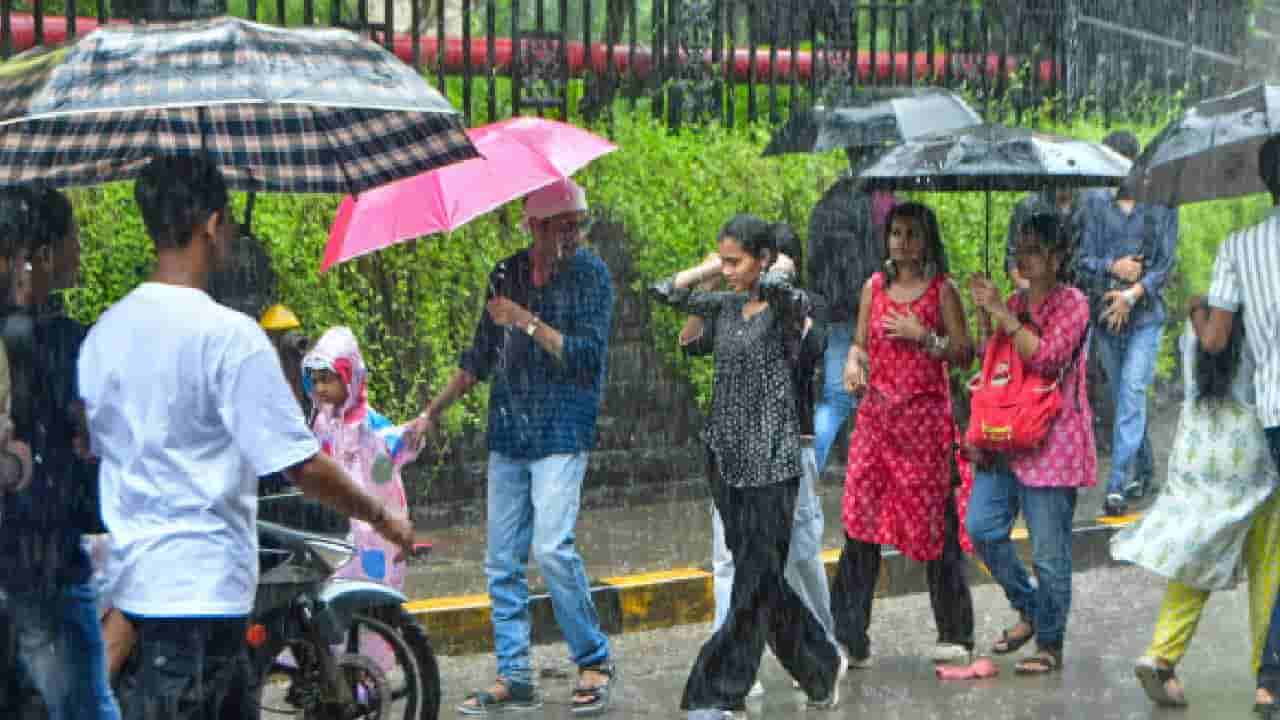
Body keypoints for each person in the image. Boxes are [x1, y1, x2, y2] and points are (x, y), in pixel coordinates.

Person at [77, 154, 416, 720]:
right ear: (212, 224)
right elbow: (300, 465)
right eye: (228, 218)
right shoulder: (231, 338)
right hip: (206, 605)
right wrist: (381, 517)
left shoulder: (103, 336)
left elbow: (97, 445)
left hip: (137, 596)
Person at [420, 178, 616, 716]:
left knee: (552, 548)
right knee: (501, 560)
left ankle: (594, 657)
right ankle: (515, 674)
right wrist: (430, 413)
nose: (572, 236)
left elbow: (584, 358)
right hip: (510, 431)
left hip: (561, 429)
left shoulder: (591, 277)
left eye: (579, 224)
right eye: (561, 226)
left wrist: (527, 322)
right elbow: (478, 359)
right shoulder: (505, 274)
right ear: (534, 226)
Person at [651, 214, 840, 719]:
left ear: (763, 259)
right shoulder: (728, 306)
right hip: (728, 461)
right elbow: (666, 291)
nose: (730, 270)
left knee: (755, 580)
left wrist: (769, 269)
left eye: (738, 261)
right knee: (763, 582)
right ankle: (820, 664)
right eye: (725, 260)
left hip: (774, 464)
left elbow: (790, 301)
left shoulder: (787, 307)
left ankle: (715, 690)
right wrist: (711, 268)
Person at [834, 201, 976, 668]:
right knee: (860, 524)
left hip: (925, 429)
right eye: (896, 232)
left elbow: (963, 355)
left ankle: (954, 631)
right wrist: (854, 365)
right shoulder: (873, 289)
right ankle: (850, 636)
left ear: (928, 241)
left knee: (936, 527)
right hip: (876, 425)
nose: (902, 242)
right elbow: (859, 343)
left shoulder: (942, 292)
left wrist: (924, 336)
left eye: (912, 234)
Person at [1112, 314, 1280, 707]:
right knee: (1269, 567)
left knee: (1199, 556)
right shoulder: (1266, 325)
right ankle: (1268, 676)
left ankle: (1161, 654)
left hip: (1200, 455)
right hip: (1251, 454)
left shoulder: (1198, 323)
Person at [0, 185, 119, 720]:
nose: (80, 252)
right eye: (73, 240)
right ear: (42, 255)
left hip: (22, 560)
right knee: (87, 708)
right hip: (44, 563)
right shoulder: (59, 341)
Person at [967, 213, 1096, 675]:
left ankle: (1049, 642)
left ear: (1058, 256)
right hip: (1005, 437)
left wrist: (1003, 313)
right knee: (981, 527)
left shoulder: (1073, 303)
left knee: (1049, 551)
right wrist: (988, 314)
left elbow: (1045, 357)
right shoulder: (1014, 301)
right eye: (1020, 247)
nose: (1024, 256)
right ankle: (1030, 606)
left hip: (1053, 442)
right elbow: (993, 361)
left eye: (1035, 248)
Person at [1190, 135, 1280, 717]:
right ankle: (1272, 670)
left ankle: (1271, 676)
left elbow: (1216, 340)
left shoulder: (1239, 246)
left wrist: (1197, 309)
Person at [302, 326, 425, 668]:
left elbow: (394, 445)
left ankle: (368, 680)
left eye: (329, 379)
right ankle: (333, 673)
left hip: (375, 541)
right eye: (316, 380)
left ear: (351, 376)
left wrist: (411, 436)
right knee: (333, 609)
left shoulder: (370, 427)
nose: (322, 388)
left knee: (373, 610)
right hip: (336, 536)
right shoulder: (319, 425)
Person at [1078, 130, 1174, 514]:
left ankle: (1116, 484)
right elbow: (1081, 260)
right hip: (1107, 319)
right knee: (1124, 400)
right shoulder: (1094, 205)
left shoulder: (1161, 204)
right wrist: (1111, 267)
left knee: (1132, 393)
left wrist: (1132, 293)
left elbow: (1165, 265)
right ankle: (1146, 468)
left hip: (1145, 316)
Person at [807, 155, 899, 475]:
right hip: (879, 311)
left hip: (835, 311)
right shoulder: (883, 201)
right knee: (885, 398)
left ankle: (805, 475)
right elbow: (892, 257)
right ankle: (879, 475)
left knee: (835, 400)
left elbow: (814, 260)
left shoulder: (829, 200)